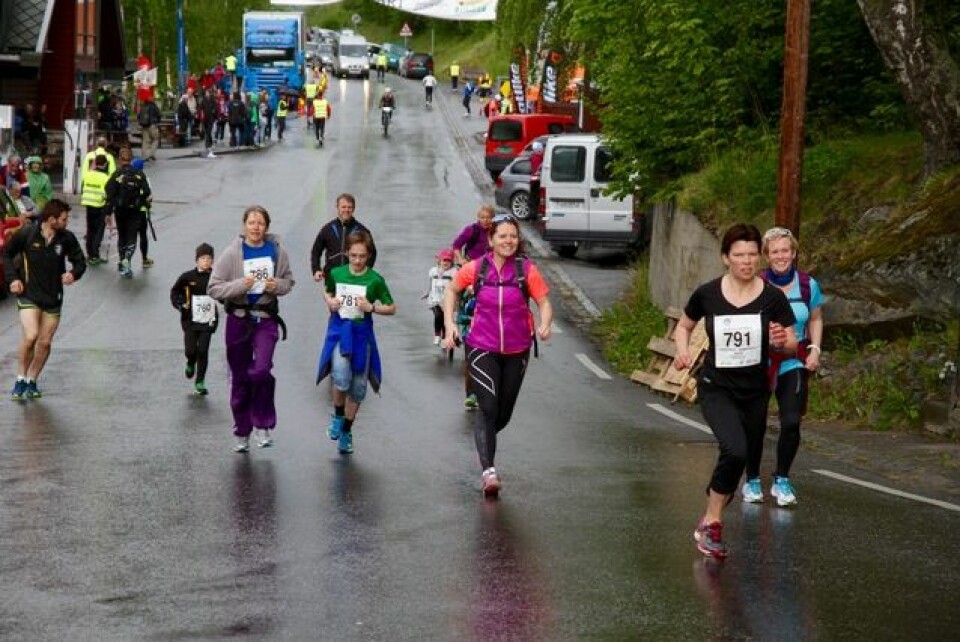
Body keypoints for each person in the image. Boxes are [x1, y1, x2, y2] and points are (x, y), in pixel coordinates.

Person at [672, 223, 798, 559]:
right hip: (717, 387)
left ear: (760, 257)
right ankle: (712, 522)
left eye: (753, 255)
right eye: (739, 255)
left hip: (756, 391)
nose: (747, 261)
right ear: (726, 257)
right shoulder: (708, 293)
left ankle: (711, 508)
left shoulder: (773, 297)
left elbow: (792, 345)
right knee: (736, 449)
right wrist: (682, 351)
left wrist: (781, 342)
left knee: (740, 458)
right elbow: (684, 326)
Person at [442, 214, 553, 496]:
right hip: (481, 347)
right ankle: (489, 471)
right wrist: (449, 324)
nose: (508, 241)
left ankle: (484, 437)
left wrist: (545, 323)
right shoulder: (477, 268)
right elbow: (452, 290)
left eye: (513, 236)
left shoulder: (525, 270)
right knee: (488, 407)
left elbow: (543, 301)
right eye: (502, 236)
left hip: (517, 350)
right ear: (491, 240)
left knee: (501, 415)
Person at [739, 227, 825, 507]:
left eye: (785, 250)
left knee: (791, 421)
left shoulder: (806, 285)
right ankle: (752, 479)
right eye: (775, 251)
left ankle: (782, 479)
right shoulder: (756, 284)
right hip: (759, 363)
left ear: (794, 252)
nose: (781, 256)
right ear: (766, 255)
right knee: (755, 424)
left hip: (793, 360)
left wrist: (815, 348)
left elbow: (815, 318)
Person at [208, 206, 295, 453]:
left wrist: (275, 285)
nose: (256, 227)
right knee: (240, 379)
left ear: (267, 226)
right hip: (238, 319)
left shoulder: (277, 251)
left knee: (261, 370)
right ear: (244, 225)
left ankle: (263, 423)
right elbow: (214, 288)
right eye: (252, 222)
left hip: (265, 319)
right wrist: (239, 285)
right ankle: (242, 431)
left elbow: (289, 282)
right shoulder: (232, 253)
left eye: (260, 223)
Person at [317, 231, 396, 455]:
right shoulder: (336, 273)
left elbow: (391, 308)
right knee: (341, 377)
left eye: (362, 256)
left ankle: (346, 431)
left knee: (358, 388)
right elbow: (328, 290)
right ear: (347, 254)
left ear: (369, 255)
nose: (358, 260)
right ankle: (337, 416)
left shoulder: (375, 280)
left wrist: (372, 308)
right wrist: (330, 301)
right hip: (340, 331)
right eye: (353, 256)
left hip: (362, 334)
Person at [4, 199, 86, 400]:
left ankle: (32, 380)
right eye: (64, 219)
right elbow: (5, 254)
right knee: (31, 336)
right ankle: (21, 378)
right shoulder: (27, 234)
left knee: (45, 342)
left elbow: (79, 261)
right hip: (29, 294)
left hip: (53, 297)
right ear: (52, 219)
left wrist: (73, 274)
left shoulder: (66, 238)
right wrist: (13, 279)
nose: (67, 222)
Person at [170, 243, 219, 396]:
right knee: (191, 350)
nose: (206, 261)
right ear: (197, 260)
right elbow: (175, 291)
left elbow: (224, 292)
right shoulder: (187, 277)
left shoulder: (215, 277)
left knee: (203, 351)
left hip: (208, 320)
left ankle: (200, 381)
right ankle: (191, 362)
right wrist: (180, 304)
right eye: (203, 258)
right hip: (190, 320)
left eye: (209, 258)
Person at [104, 147, 151, 278]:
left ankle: (122, 259)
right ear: (131, 159)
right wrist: (140, 201)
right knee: (132, 237)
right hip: (134, 211)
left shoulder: (116, 174)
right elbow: (146, 192)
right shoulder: (139, 174)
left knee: (122, 236)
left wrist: (108, 213)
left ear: (119, 159)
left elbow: (109, 192)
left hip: (120, 211)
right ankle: (127, 260)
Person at [310, 193, 377, 282]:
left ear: (354, 208)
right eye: (343, 207)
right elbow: (316, 251)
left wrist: (364, 272)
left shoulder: (362, 230)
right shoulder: (327, 229)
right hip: (332, 278)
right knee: (330, 296)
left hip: (354, 279)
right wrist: (316, 269)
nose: (346, 210)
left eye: (349, 207)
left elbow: (372, 253)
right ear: (337, 207)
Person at [80, 153, 110, 265]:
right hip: (99, 206)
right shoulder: (106, 178)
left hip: (88, 205)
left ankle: (91, 254)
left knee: (90, 230)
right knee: (98, 231)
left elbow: (83, 188)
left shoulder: (88, 175)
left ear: (95, 163)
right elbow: (108, 194)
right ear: (105, 164)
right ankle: (95, 254)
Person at [425, 248, 457, 345]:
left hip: (447, 300)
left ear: (452, 262)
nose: (446, 262)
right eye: (444, 260)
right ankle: (437, 335)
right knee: (438, 315)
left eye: (449, 260)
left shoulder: (454, 272)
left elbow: (457, 286)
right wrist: (427, 292)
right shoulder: (433, 271)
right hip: (434, 299)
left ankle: (444, 337)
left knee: (444, 318)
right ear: (439, 260)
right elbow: (430, 283)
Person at [131, 158, 155, 268]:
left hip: (129, 212)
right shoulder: (144, 179)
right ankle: (144, 259)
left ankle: (126, 260)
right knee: (143, 236)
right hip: (141, 212)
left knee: (129, 237)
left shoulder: (126, 177)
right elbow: (150, 197)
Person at [137, 97, 162, 161]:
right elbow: (159, 115)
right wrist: (157, 121)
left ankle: (145, 156)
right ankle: (152, 154)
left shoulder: (143, 107)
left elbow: (139, 116)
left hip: (144, 126)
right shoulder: (154, 107)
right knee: (156, 139)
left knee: (145, 141)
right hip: (152, 125)